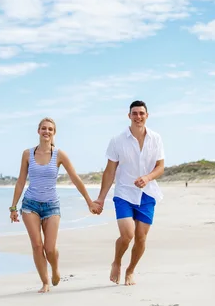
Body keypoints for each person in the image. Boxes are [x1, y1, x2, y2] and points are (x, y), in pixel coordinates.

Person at [10, 117, 102, 293]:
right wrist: (13, 207)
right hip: (30, 205)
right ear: (38, 131)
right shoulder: (27, 154)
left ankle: (55, 269)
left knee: (50, 248)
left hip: (52, 205)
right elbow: (21, 181)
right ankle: (45, 283)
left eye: (50, 129)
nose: (46, 132)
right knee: (37, 246)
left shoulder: (59, 154)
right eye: (44, 128)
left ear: (54, 133)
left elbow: (75, 178)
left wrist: (89, 201)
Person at [93, 100, 165, 286]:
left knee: (141, 237)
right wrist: (100, 198)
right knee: (127, 235)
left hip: (147, 194)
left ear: (147, 115)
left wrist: (148, 178)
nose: (138, 116)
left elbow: (160, 166)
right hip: (124, 193)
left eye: (142, 113)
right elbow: (109, 171)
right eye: (135, 113)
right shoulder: (117, 141)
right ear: (129, 116)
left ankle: (130, 269)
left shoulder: (155, 138)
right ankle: (116, 262)